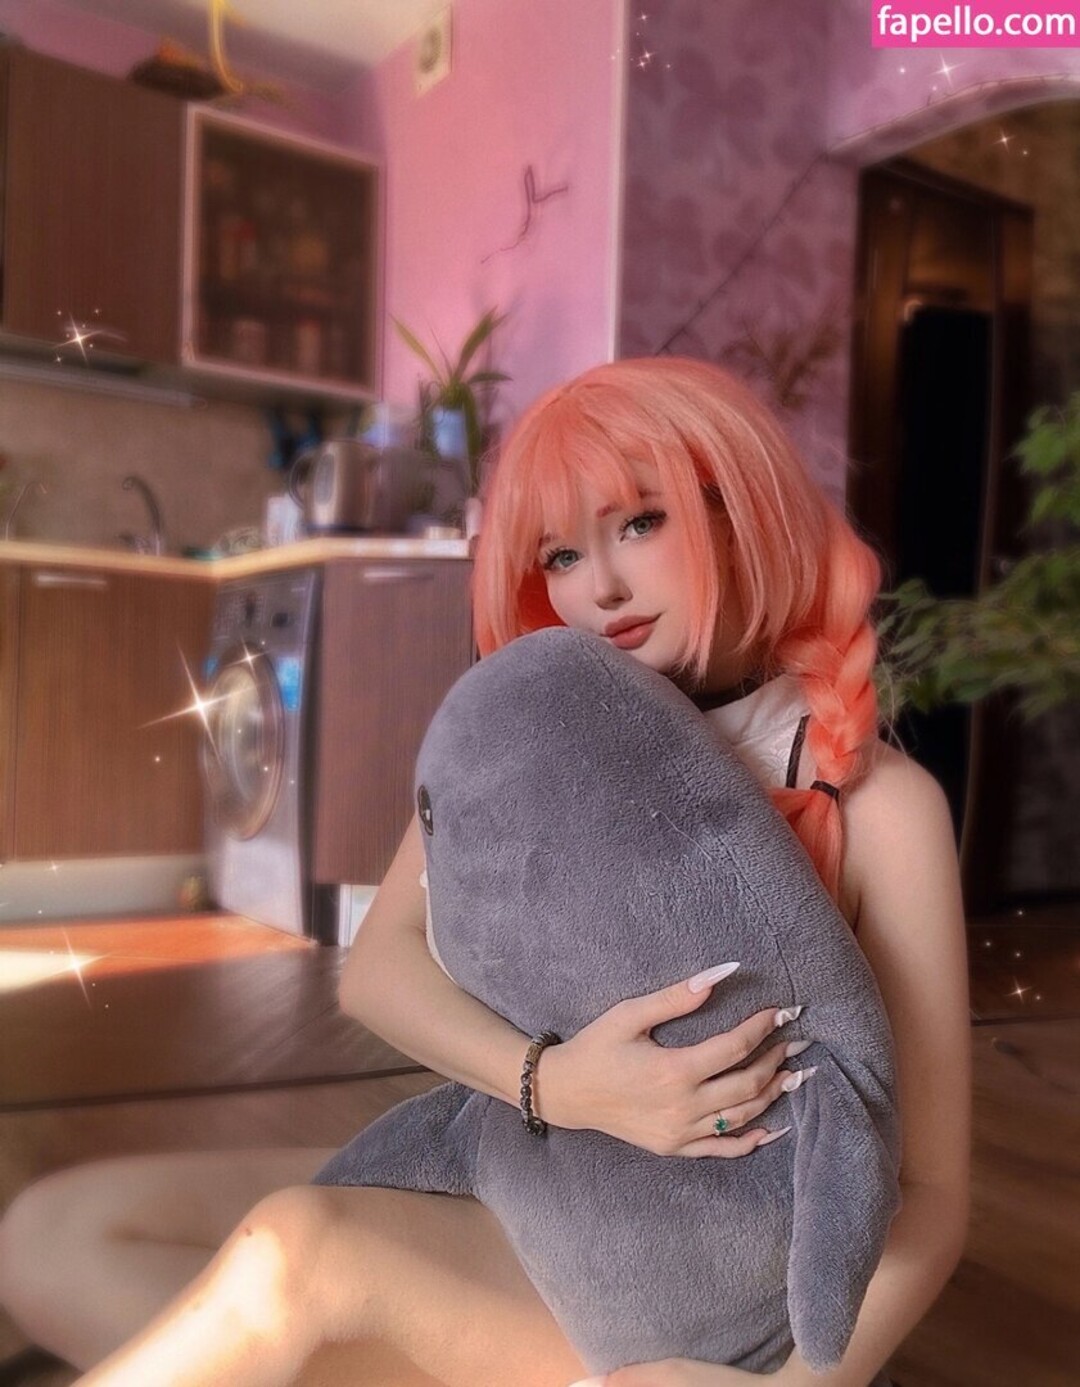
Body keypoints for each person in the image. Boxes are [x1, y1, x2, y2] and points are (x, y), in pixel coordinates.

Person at [0, 356, 970, 1387]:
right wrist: (556, 1084)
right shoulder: (544, 741)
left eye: (641, 522)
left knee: (293, 1254)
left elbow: (933, 1191)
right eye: (562, 553)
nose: (599, 588)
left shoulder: (879, 806)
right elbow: (379, 968)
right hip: (518, 1161)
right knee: (54, 1234)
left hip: (677, 1293)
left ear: (746, 515)